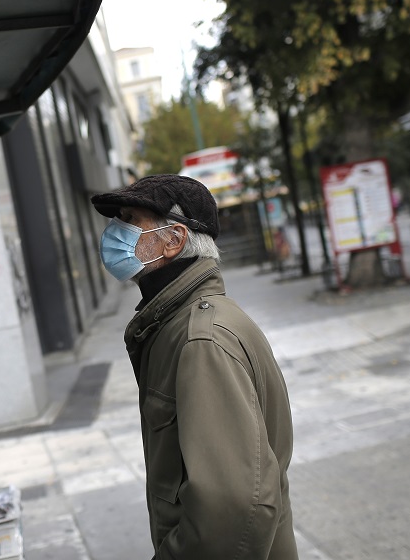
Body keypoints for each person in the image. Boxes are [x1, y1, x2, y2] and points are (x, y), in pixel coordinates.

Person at [90, 174, 297, 559]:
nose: (115, 231)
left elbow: (235, 505)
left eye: (131, 219)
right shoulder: (179, 324)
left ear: (174, 240)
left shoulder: (200, 340)